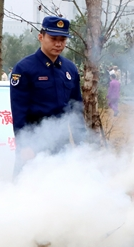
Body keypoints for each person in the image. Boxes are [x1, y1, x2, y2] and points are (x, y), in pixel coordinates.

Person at [9, 16, 84, 167]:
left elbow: (76, 109)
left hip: (60, 142)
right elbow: (19, 111)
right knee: (27, 186)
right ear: (41, 37)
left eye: (62, 40)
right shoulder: (24, 68)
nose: (58, 44)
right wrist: (24, 144)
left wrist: (81, 144)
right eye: (53, 38)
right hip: (34, 139)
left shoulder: (70, 69)